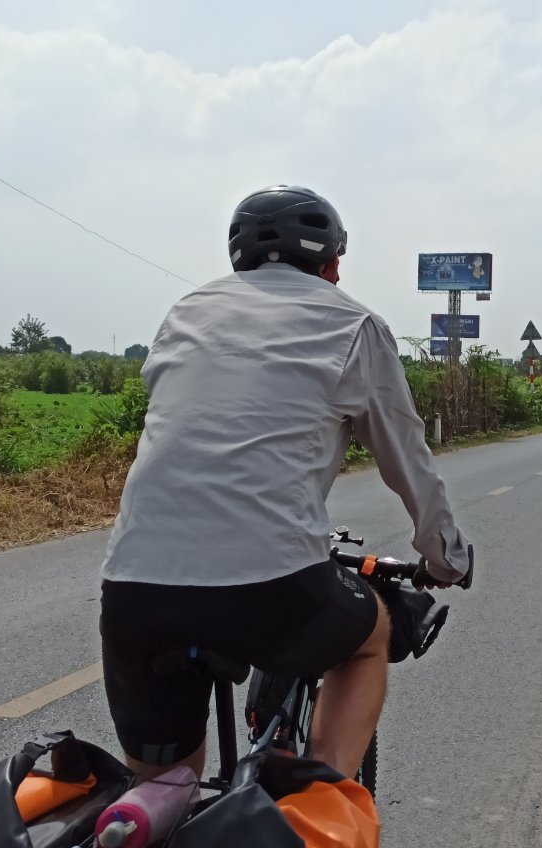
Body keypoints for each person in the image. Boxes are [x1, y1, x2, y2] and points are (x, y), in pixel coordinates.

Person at [99, 185, 473, 781]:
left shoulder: (185, 312)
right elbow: (407, 458)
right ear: (331, 266)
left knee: (160, 790)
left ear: (238, 261)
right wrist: (445, 557)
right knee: (370, 634)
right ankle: (323, 803)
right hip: (268, 585)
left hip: (134, 587)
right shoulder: (353, 324)